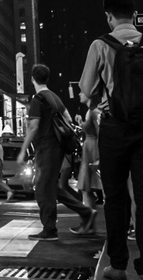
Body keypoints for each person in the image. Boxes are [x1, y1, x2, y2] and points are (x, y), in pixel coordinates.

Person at [81, 0, 143, 280]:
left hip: (114, 128)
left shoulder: (100, 45)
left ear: (109, 17)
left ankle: (117, 265)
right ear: (134, 14)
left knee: (115, 197)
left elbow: (87, 90)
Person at [18, 63, 96, 240]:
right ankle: (86, 212)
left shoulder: (38, 100)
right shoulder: (55, 97)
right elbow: (68, 120)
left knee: (41, 188)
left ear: (32, 79)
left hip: (46, 148)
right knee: (52, 186)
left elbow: (33, 127)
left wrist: (23, 150)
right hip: (58, 148)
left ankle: (50, 229)